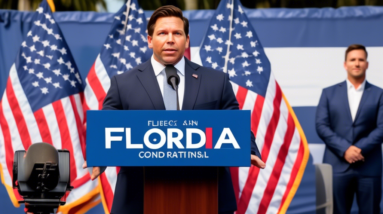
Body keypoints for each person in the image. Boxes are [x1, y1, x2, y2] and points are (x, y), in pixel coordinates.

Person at [83, 5, 265, 214]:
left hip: (205, 197)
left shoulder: (216, 81)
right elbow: (108, 128)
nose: (170, 39)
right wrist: (99, 156)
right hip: (138, 198)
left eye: (177, 33)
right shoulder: (123, 84)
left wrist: (247, 149)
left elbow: (234, 122)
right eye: (162, 33)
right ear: (150, 40)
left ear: (187, 40)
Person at [316, 44, 383, 214]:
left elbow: (382, 127)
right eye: (353, 60)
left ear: (367, 64)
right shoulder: (328, 93)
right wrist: (345, 149)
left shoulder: (379, 94)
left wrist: (358, 149)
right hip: (337, 167)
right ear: (345, 64)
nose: (357, 63)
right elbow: (321, 126)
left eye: (361, 60)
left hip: (369, 167)